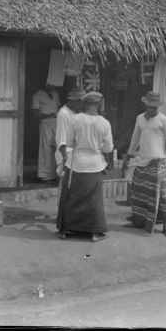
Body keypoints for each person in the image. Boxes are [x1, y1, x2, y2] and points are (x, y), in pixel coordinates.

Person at [57, 91, 113, 241]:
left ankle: (65, 230)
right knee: (93, 199)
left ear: (85, 104)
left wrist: (80, 142)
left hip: (76, 162)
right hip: (94, 163)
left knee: (71, 198)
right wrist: (98, 145)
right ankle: (95, 233)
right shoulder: (104, 122)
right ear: (98, 105)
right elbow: (108, 148)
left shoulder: (75, 119)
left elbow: (68, 142)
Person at [124, 91, 166, 238]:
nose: (151, 109)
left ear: (157, 107)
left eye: (154, 107)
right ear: (145, 104)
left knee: (161, 194)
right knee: (138, 189)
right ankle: (139, 221)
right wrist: (129, 155)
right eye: (149, 106)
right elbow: (135, 138)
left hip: (157, 161)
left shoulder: (164, 120)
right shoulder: (140, 118)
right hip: (142, 161)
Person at [55, 87, 86, 206]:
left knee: (71, 186)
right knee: (65, 185)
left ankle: (67, 211)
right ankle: (61, 212)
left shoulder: (73, 112)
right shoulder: (64, 114)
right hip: (66, 154)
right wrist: (65, 158)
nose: (82, 105)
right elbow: (61, 140)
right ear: (74, 101)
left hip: (73, 154)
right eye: (81, 102)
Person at [31, 83, 60, 181]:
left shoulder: (55, 94)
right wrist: (47, 116)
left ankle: (56, 174)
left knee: (57, 148)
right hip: (45, 124)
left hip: (56, 124)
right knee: (46, 149)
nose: (51, 86)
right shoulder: (37, 95)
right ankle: (45, 176)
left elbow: (57, 108)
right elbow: (34, 113)